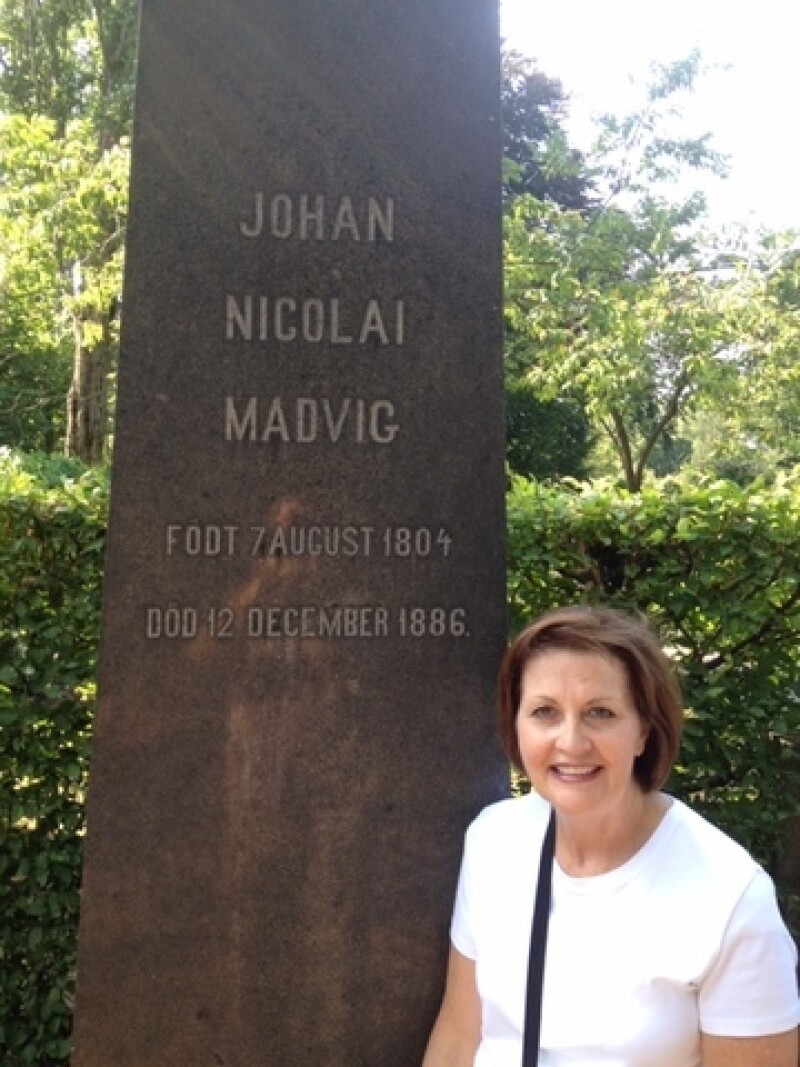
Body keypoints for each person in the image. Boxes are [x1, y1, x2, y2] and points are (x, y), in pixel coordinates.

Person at [422, 605, 799, 1067]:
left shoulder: (731, 900)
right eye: (544, 712)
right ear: (514, 724)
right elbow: (461, 1035)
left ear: (643, 729)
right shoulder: (494, 842)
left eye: (600, 713)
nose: (571, 742)